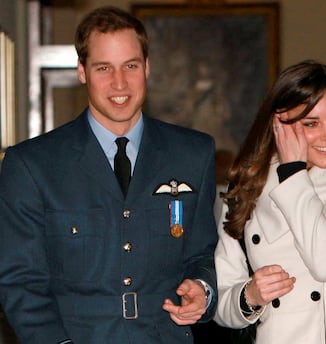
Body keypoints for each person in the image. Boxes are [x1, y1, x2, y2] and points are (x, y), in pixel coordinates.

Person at [0, 6, 218, 344]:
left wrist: (202, 289)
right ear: (82, 72)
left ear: (146, 67)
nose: (120, 83)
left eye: (130, 65)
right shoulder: (31, 165)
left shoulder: (193, 154)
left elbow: (203, 254)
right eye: (104, 68)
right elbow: (20, 281)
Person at [213, 60, 326, 343]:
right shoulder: (246, 189)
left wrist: (292, 174)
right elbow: (222, 301)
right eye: (311, 123)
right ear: (280, 124)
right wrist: (249, 296)